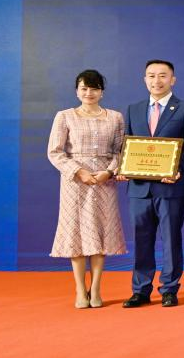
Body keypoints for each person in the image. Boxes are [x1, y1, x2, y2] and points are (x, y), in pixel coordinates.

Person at [119, 59, 184, 308]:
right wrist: (124, 167)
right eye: (151, 76)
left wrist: (176, 169)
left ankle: (169, 289)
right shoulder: (134, 109)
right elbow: (128, 144)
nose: (157, 80)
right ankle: (140, 290)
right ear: (145, 80)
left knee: (171, 239)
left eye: (163, 75)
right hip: (139, 188)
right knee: (141, 239)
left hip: (171, 187)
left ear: (172, 80)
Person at [47, 69, 127, 309]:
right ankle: (80, 289)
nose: (89, 93)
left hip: (104, 181)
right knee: (77, 233)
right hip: (75, 182)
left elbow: (121, 151)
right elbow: (55, 152)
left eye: (94, 88)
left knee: (100, 232)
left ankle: (97, 288)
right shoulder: (64, 116)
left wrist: (109, 172)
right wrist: (78, 171)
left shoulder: (115, 117)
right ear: (77, 91)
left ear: (102, 92)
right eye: (84, 88)